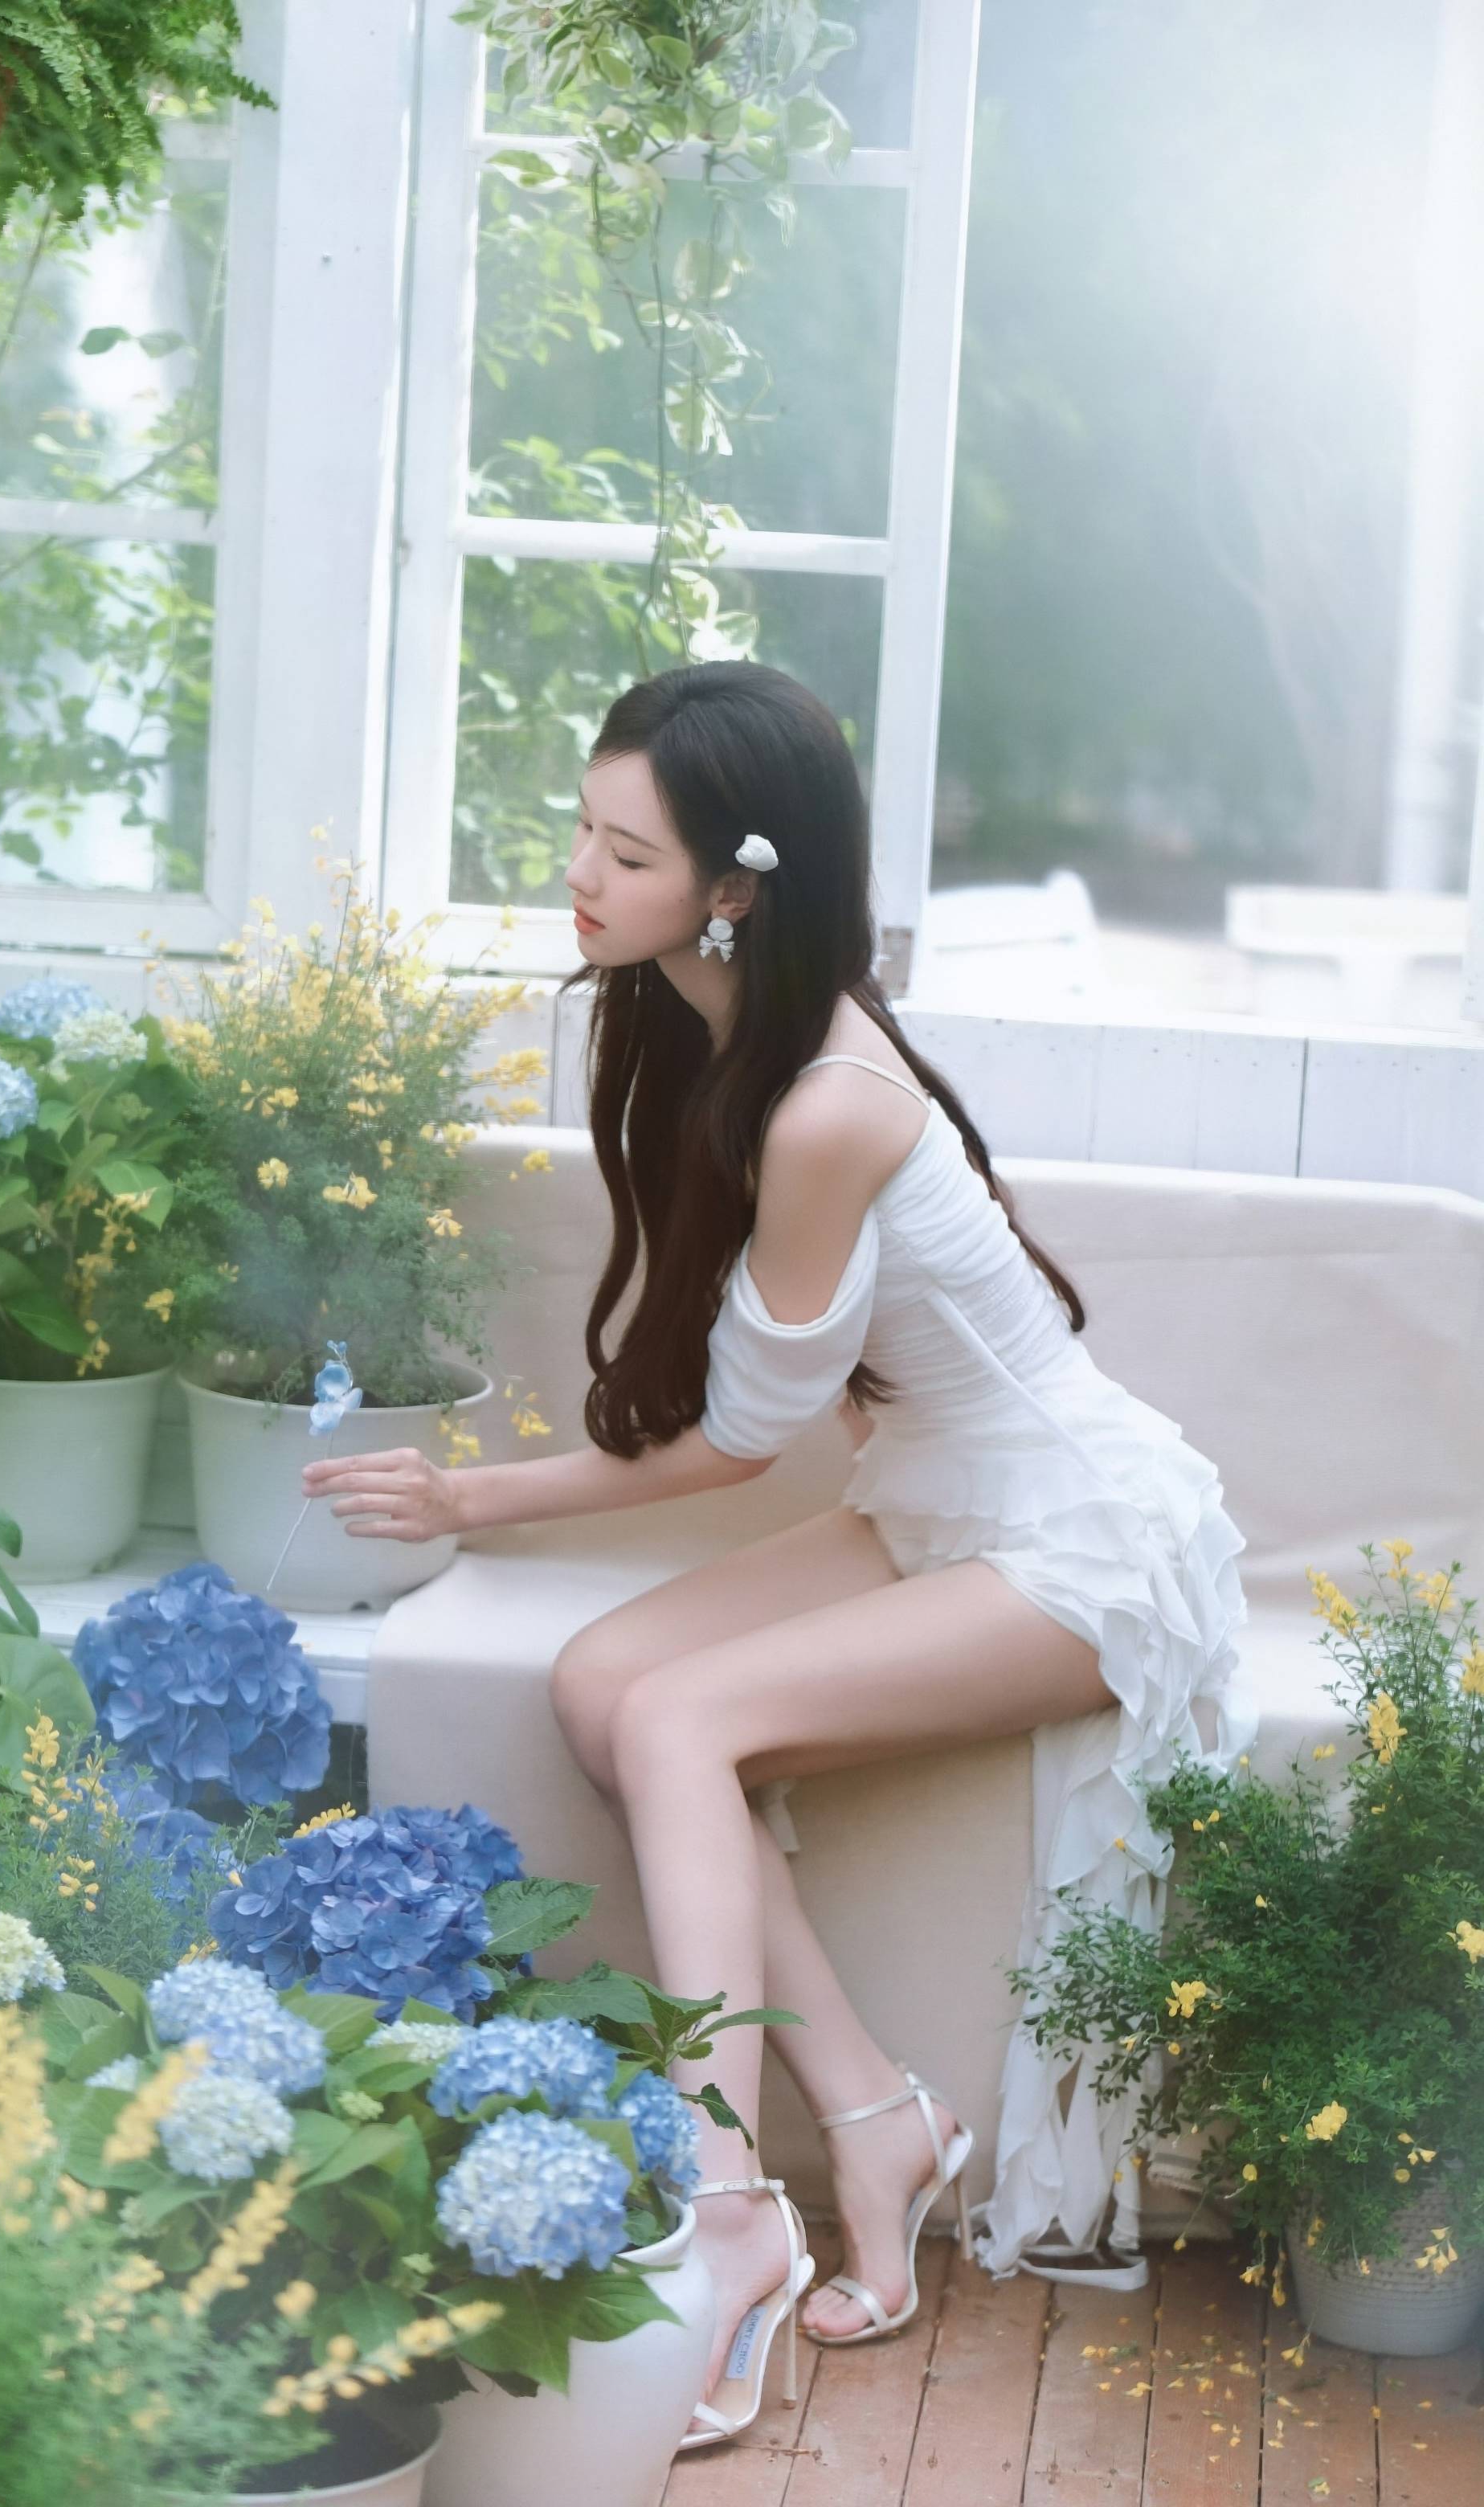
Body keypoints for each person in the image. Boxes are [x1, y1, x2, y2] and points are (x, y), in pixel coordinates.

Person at [301, 660, 1257, 2450]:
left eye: (625, 853)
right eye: (581, 831)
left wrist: (468, 1499)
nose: (578, 876)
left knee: (677, 1718)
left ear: (733, 885)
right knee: (607, 1683)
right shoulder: (706, 1025)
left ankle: (727, 2199)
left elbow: (740, 1441)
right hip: (936, 1506)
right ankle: (876, 2116)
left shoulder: (824, 1101)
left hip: (1084, 1546)